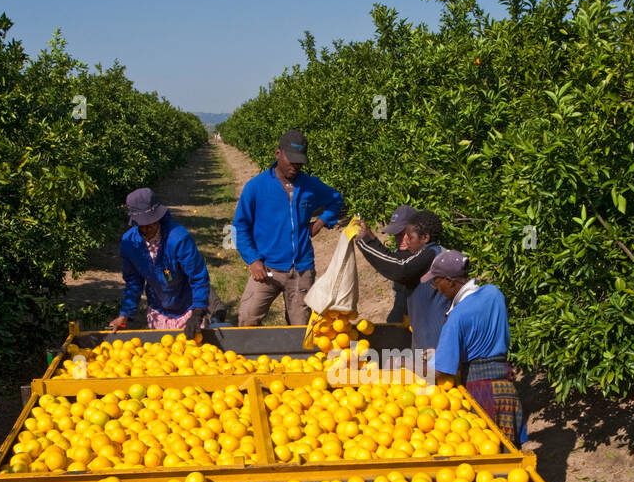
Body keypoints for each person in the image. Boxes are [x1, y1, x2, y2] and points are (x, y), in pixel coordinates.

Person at [233, 129, 343, 326]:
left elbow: (336, 200)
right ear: (277, 154)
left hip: (301, 268)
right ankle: (246, 356)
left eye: (300, 161)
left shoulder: (310, 185)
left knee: (300, 327)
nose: (296, 165)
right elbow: (240, 227)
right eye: (291, 160)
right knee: (247, 318)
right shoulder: (256, 187)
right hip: (267, 267)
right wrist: (253, 260)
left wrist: (319, 223)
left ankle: (295, 356)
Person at [426, 251, 528, 447]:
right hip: (505, 387)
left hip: (481, 392)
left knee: (488, 459)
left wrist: (409, 365)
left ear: (449, 281)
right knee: (512, 458)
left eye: (436, 282)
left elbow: (439, 370)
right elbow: (478, 336)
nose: (436, 288)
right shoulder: (494, 293)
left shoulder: (456, 317)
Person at [355, 208, 451, 370]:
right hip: (425, 339)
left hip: (434, 341)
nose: (404, 240)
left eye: (408, 236)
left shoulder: (431, 254)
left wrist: (365, 243)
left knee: (436, 386)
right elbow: (399, 260)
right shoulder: (428, 252)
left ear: (424, 237)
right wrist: (371, 239)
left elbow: (400, 268)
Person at [108, 188, 212, 337]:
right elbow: (133, 282)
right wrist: (124, 315)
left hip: (187, 306)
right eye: (142, 224)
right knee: (163, 355)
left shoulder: (178, 238)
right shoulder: (130, 243)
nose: (147, 228)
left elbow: (198, 276)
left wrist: (198, 312)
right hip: (158, 308)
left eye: (151, 222)